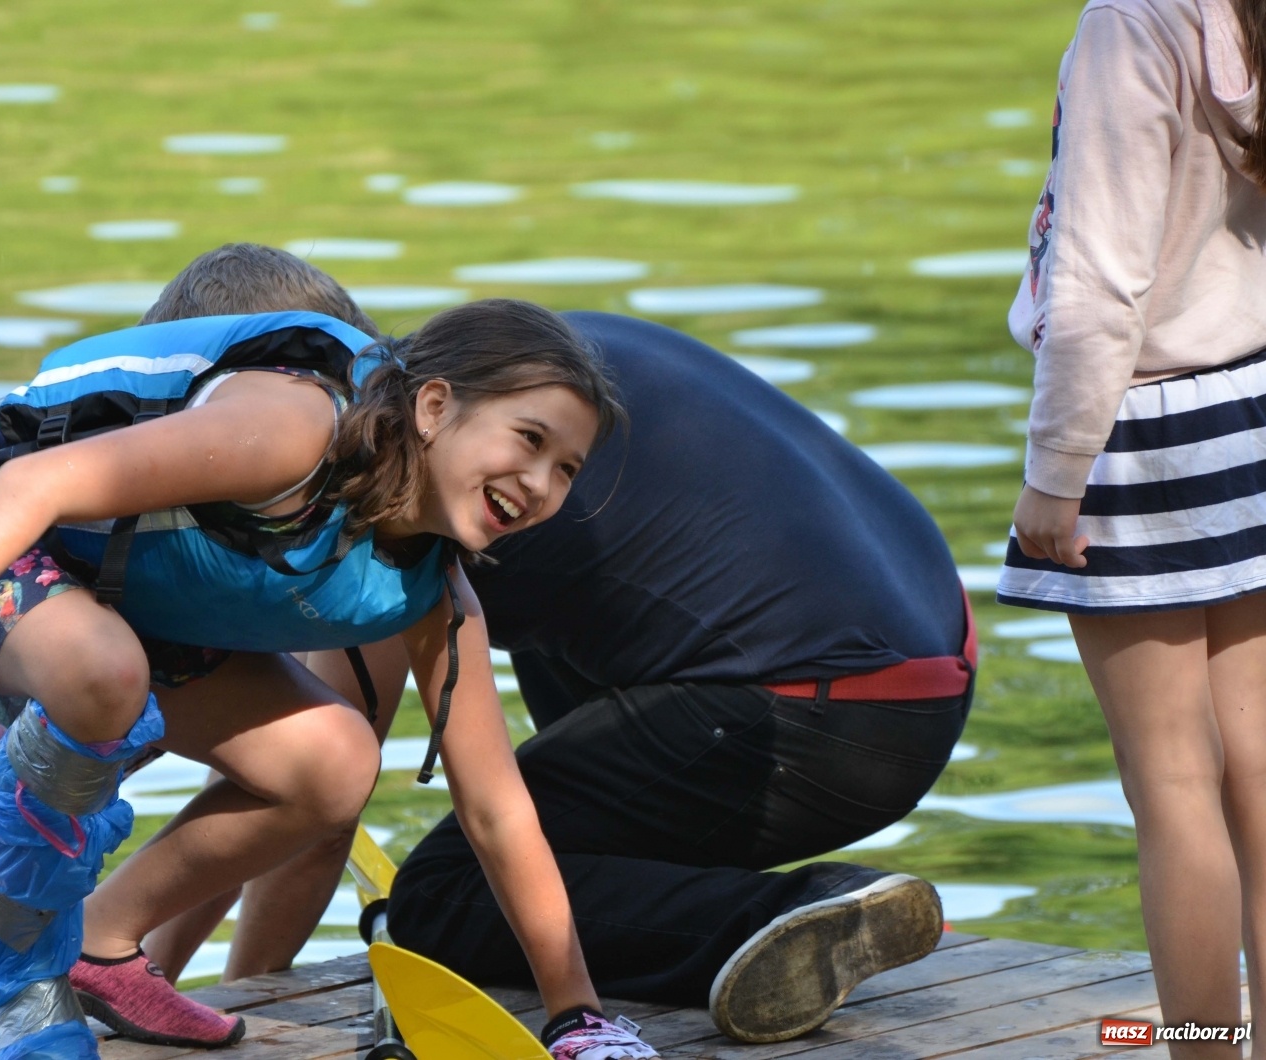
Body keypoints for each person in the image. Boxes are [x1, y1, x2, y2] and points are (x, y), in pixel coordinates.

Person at [0, 244, 659, 1060]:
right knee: (107, 673)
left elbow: (497, 810)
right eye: (530, 439)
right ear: (434, 408)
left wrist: (576, 1020)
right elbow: (35, 486)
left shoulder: (432, 588)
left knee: (335, 764)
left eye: (568, 469)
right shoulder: (294, 427)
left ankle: (101, 944)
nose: (543, 482)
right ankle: (14, 977)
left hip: (122, 589)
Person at [138, 310, 975, 1044]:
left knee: (444, 897)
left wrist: (229, 997)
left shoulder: (425, 499)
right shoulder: (539, 380)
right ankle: (734, 915)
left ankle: (777, 914)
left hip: (812, 714)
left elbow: (316, 813)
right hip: (926, 674)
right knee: (523, 795)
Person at [998, 0, 1266, 1053]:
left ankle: (1199, 1048)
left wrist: (1052, 475)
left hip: (1140, 421)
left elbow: (1101, 276)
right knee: (1255, 769)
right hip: (1248, 404)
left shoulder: (1131, 18)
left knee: (1170, 783)